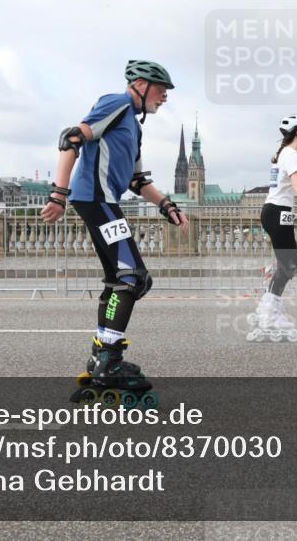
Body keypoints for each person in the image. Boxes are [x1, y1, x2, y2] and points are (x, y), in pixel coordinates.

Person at [40, 60, 188, 404]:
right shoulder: (117, 103)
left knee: (121, 280)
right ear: (140, 85)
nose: (165, 96)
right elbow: (71, 138)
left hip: (104, 202)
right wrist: (58, 195)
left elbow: (137, 180)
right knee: (132, 276)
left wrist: (166, 206)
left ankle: (101, 354)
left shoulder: (134, 125)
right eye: (161, 89)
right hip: (96, 199)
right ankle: (109, 359)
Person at [248, 115, 297, 342]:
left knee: (291, 264)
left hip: (275, 212)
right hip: (277, 213)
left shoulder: (283, 153)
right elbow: (296, 184)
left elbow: (292, 187)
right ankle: (269, 312)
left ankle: (268, 306)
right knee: (291, 264)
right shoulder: (291, 154)